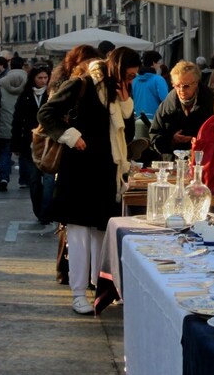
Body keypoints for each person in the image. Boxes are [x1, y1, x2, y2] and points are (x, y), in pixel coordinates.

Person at [38, 47, 139, 315]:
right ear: (117, 69)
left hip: (106, 173)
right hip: (79, 172)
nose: (131, 81)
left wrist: (126, 103)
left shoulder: (118, 93)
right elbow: (46, 114)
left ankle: (101, 288)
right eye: (128, 75)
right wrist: (71, 135)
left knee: (101, 234)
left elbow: (125, 134)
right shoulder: (81, 84)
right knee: (80, 235)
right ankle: (78, 292)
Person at [11, 65, 54, 224]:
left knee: (49, 180)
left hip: (49, 144)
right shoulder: (25, 96)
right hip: (29, 145)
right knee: (34, 181)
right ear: (33, 79)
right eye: (40, 78)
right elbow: (17, 121)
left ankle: (46, 213)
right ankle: (38, 210)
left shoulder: (52, 95)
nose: (43, 81)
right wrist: (15, 144)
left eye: (45, 78)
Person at [150, 61, 214, 159]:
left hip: (203, 161)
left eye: (186, 86)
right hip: (173, 163)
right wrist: (172, 140)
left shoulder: (211, 102)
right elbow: (154, 136)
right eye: (177, 85)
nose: (181, 90)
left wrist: (197, 139)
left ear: (196, 83)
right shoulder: (167, 105)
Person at [0, 67, 27, 191]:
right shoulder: (28, 87)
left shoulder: (1, 86)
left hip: (5, 126)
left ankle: (3, 178)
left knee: (5, 153)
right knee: (24, 155)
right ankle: (24, 180)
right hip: (23, 128)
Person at [132, 50, 168, 121]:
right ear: (154, 63)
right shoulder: (158, 79)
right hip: (155, 120)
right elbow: (166, 102)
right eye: (159, 63)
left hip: (137, 119)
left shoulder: (134, 80)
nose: (159, 66)